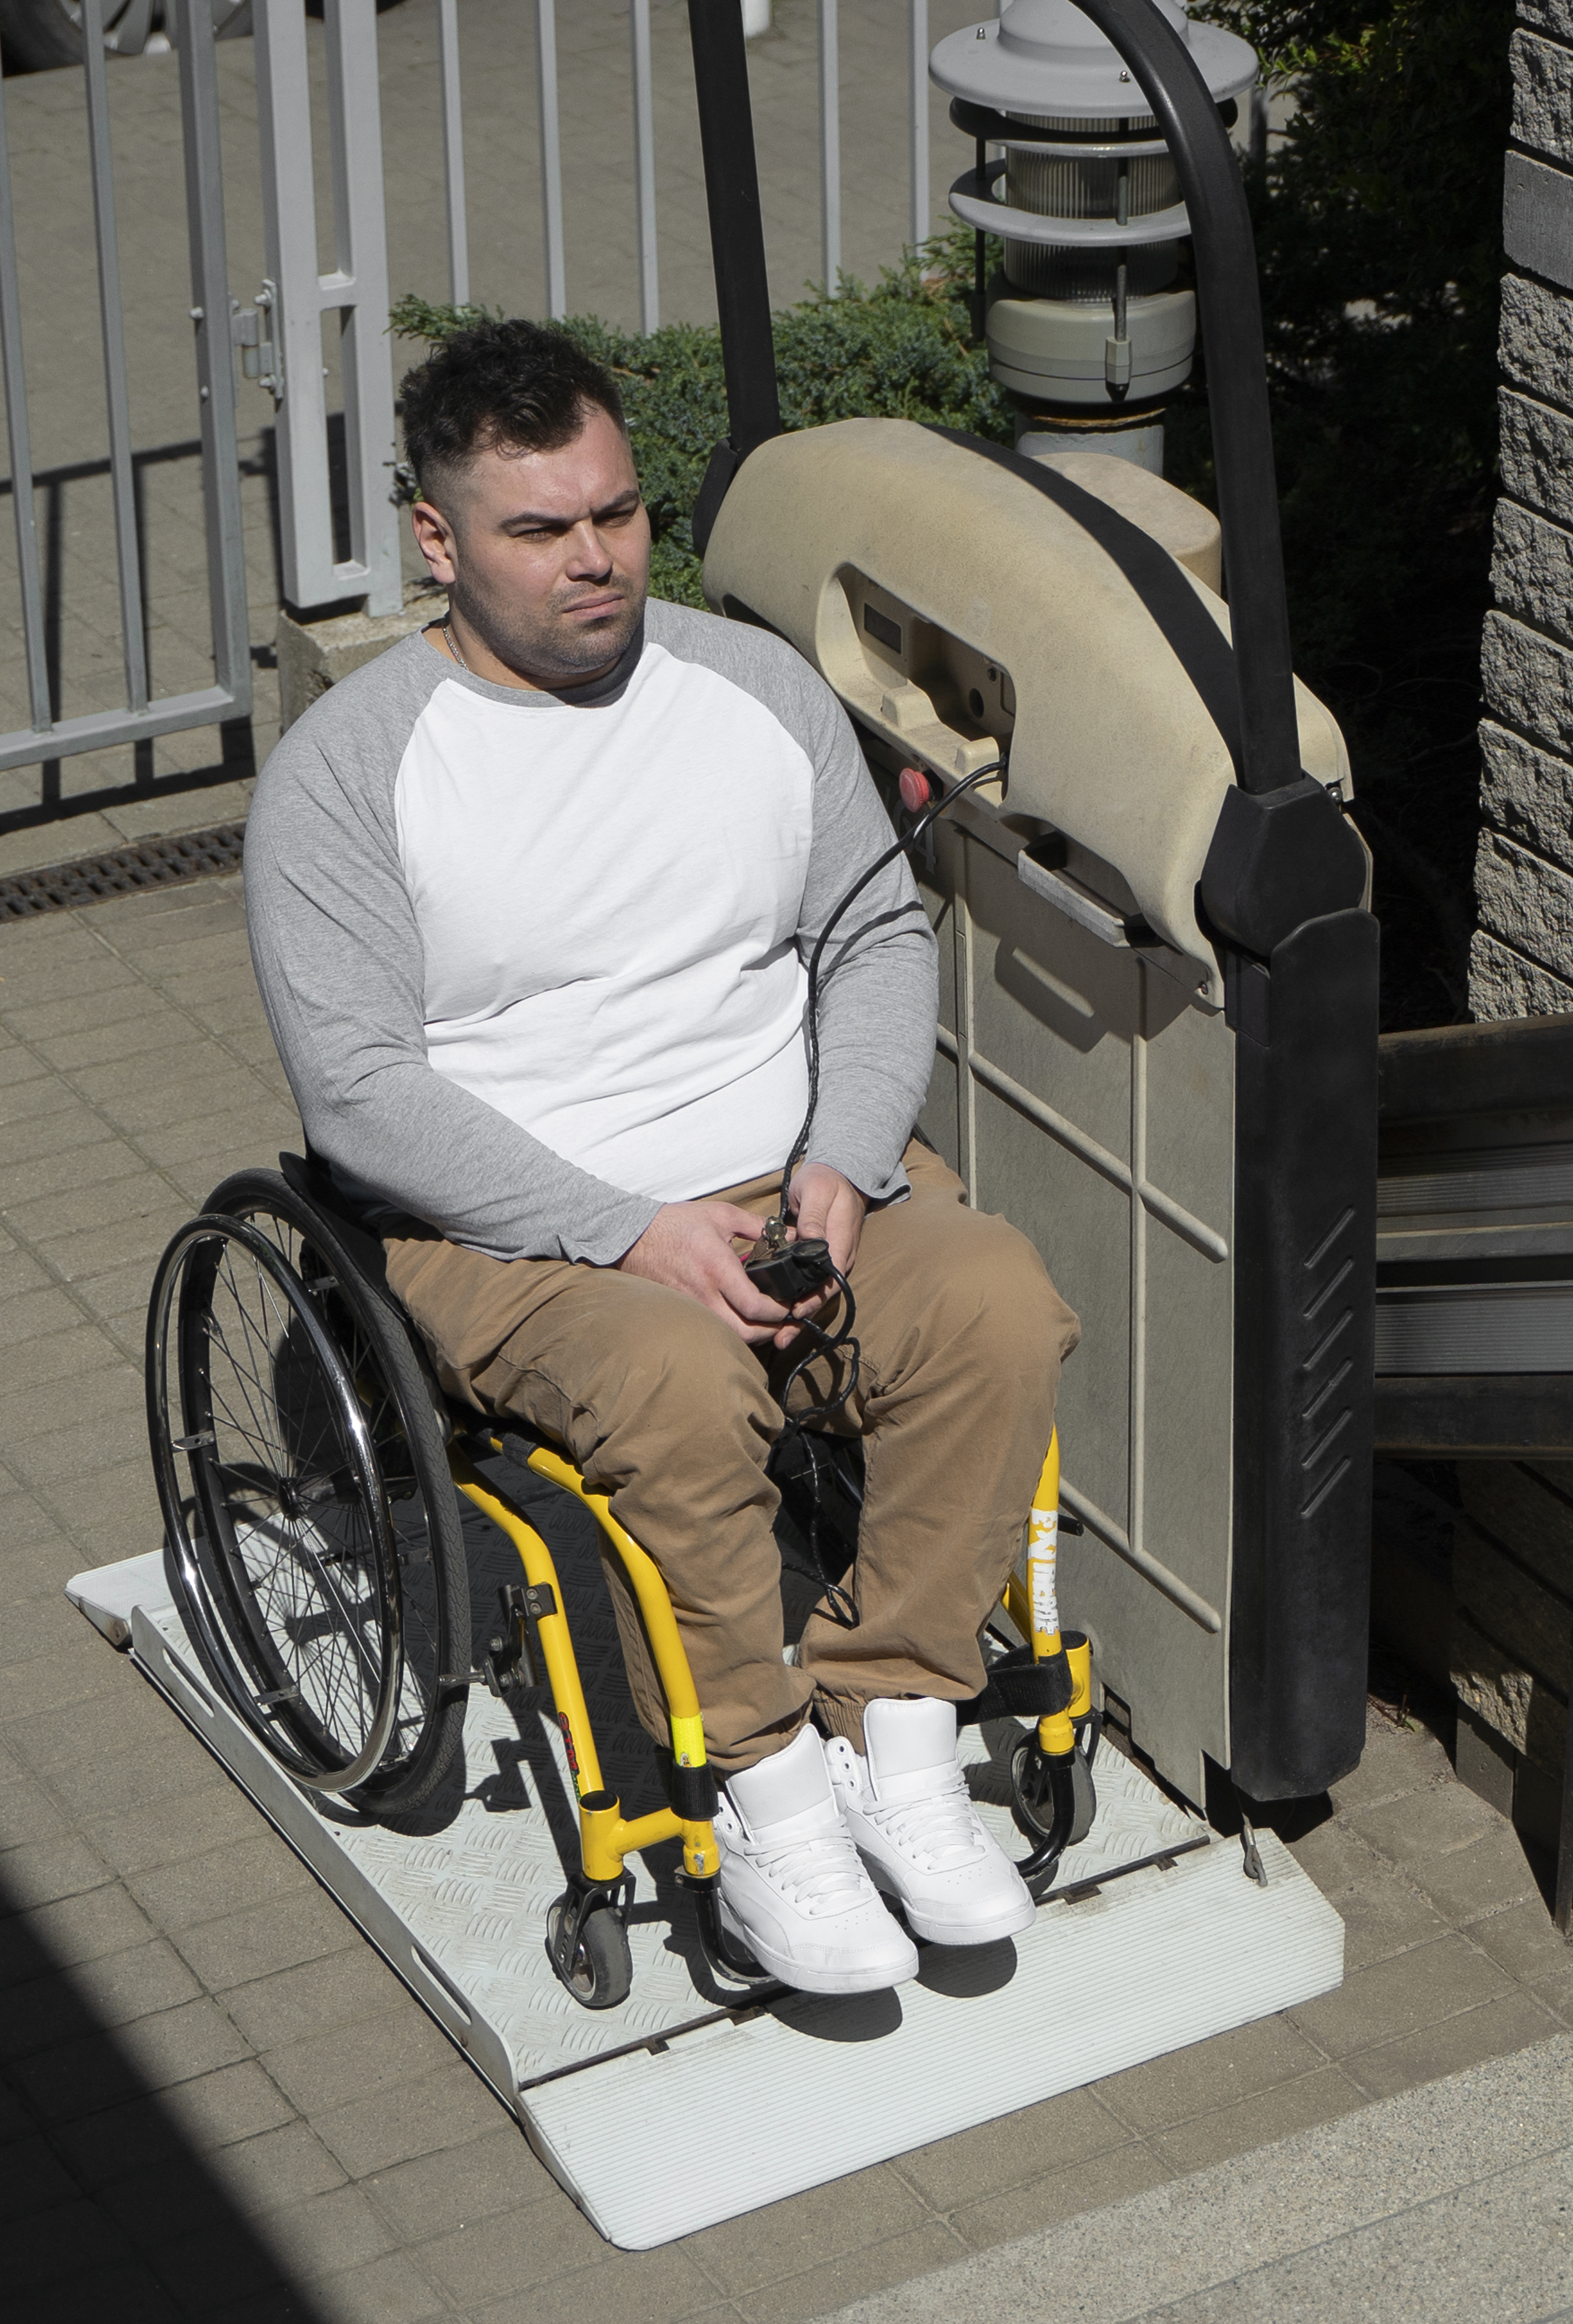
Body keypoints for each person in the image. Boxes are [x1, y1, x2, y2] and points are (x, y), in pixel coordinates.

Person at [244, 319, 1077, 1995]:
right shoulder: (349, 777)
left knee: (995, 1302)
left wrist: (843, 1161)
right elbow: (358, 1099)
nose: (595, 560)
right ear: (438, 541)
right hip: (516, 1235)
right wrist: (634, 1234)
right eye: (538, 532)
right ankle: (768, 1804)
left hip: (787, 1179)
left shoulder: (751, 690)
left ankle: (896, 1741)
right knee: (684, 1395)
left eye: (616, 515)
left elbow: (870, 938)